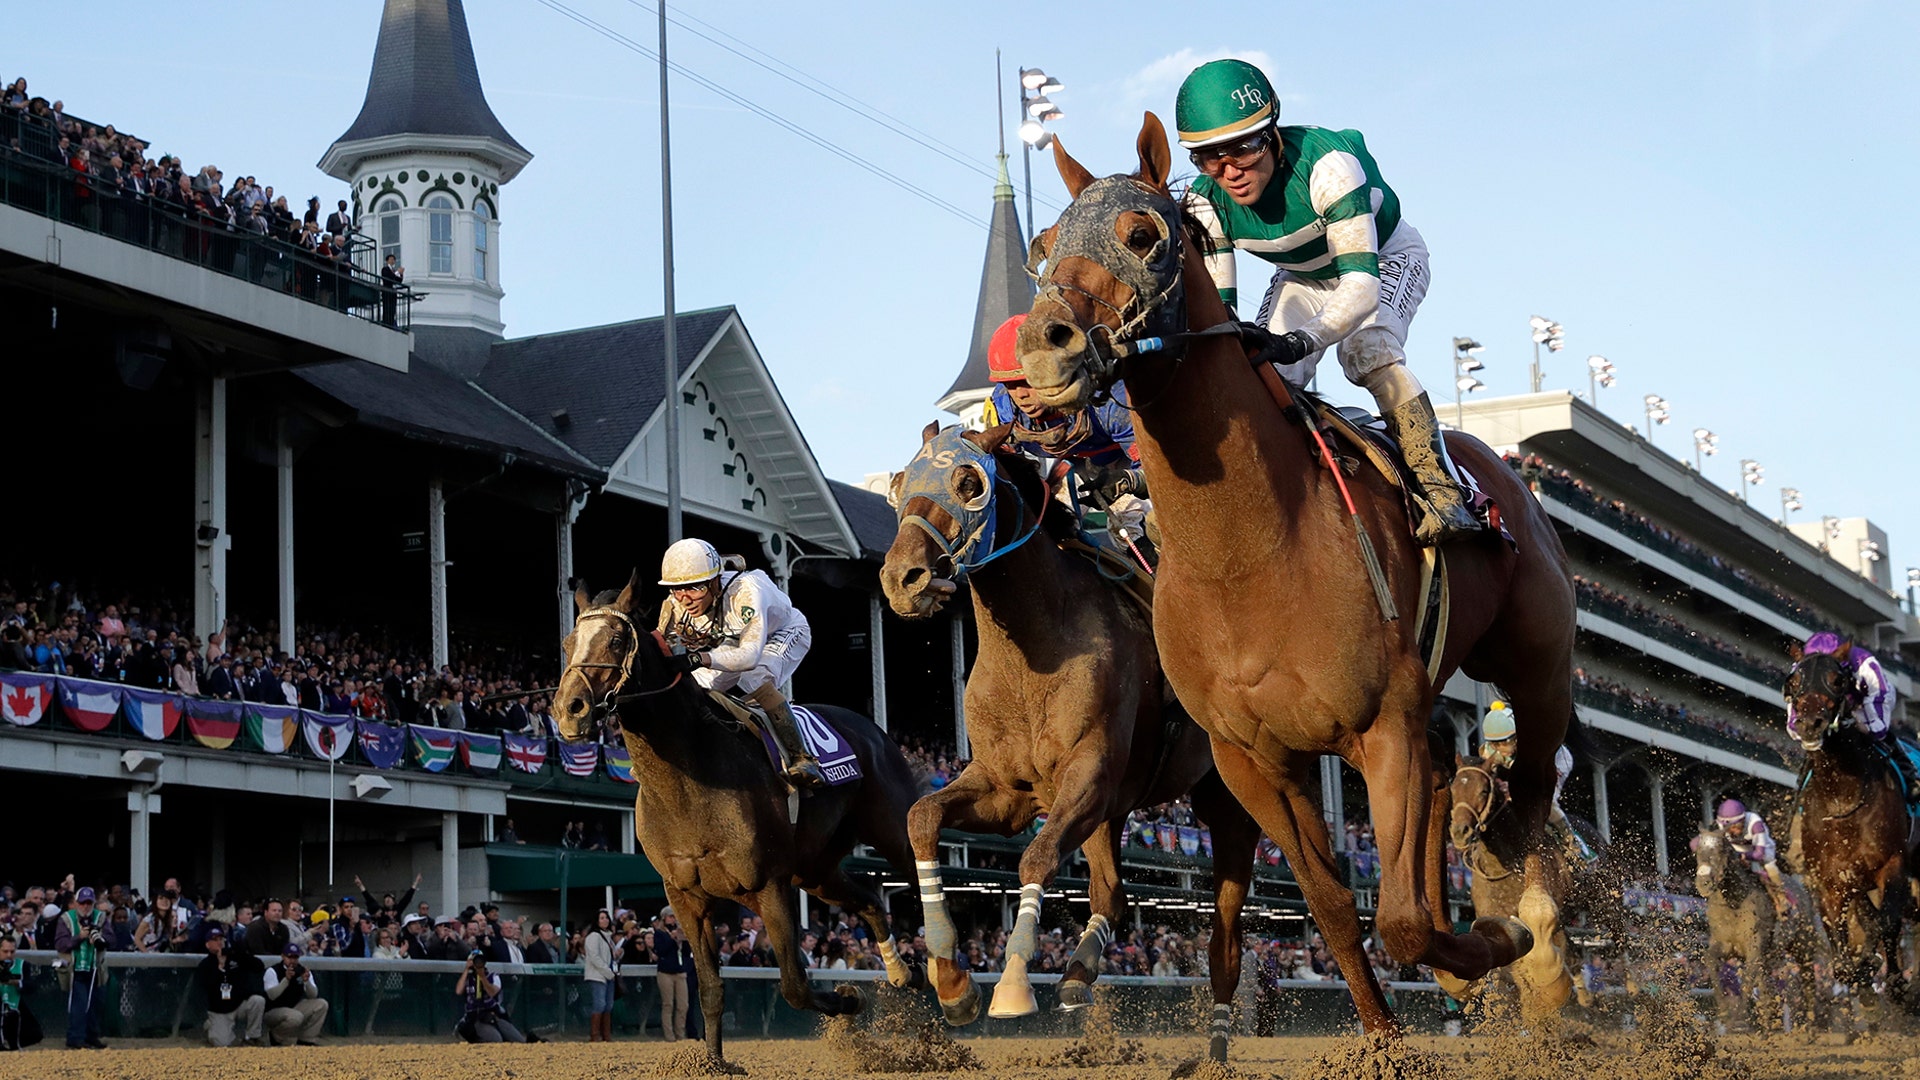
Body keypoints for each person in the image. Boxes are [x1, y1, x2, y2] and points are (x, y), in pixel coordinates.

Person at [1175, 58, 1479, 546]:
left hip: (1382, 258)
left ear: (1272, 134)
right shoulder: (1203, 201)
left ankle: (1440, 486)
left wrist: (1302, 340)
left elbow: (1359, 288)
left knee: (1368, 352)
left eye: (1244, 149)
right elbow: (1221, 318)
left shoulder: (1328, 166)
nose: (1230, 172)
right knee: (1266, 376)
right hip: (1302, 275)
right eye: (1210, 157)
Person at [979, 313, 1155, 558]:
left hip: (1127, 464)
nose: (1020, 394)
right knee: (1046, 533)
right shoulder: (1003, 410)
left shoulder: (1106, 399)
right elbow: (1011, 484)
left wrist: (1127, 480)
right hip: (1073, 468)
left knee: (1128, 528)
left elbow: (1155, 468)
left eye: (1027, 380)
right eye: (1009, 384)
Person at [656, 537, 825, 787]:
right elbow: (657, 646)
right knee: (697, 687)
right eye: (677, 590)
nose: (685, 599)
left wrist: (699, 657)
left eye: (695, 588)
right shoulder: (675, 605)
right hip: (736, 641)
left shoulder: (746, 591)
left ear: (714, 581)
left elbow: (748, 656)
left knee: (754, 676)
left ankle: (802, 758)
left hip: (782, 632)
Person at [1787, 632, 1917, 798]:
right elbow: (1793, 718)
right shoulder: (1801, 669)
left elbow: (1878, 700)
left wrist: (1867, 726)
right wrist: (1803, 729)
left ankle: (1909, 773)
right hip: (1830, 704)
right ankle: (1799, 789)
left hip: (1867, 698)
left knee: (1874, 732)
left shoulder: (1864, 663)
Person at [1479, 701, 1594, 864]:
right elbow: (1488, 777)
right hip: (1525, 768)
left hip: (1555, 761)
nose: (1501, 749)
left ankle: (1574, 845)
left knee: (1547, 801)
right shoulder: (1487, 751)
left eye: (1506, 742)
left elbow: (1533, 782)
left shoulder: (1534, 747)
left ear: (1517, 736)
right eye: (1496, 743)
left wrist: (1511, 791)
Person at [1717, 799, 1794, 918]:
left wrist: (1744, 856)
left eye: (1735, 828)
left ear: (1742, 821)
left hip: (1762, 848)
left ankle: (1782, 897)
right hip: (1738, 848)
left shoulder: (1755, 824)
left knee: (1770, 866)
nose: (1732, 832)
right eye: (1729, 828)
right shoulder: (1721, 825)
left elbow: (1759, 854)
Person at [52, 886, 107, 1050]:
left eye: (89, 903)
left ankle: (91, 1036)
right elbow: (61, 944)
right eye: (82, 903)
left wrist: (99, 938)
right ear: (76, 903)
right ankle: (75, 1038)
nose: (85, 906)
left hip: (95, 968)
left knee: (95, 1003)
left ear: (93, 904)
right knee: (79, 1003)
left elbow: (111, 939)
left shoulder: (101, 917)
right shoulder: (66, 918)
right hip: (74, 969)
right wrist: (79, 937)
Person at [195, 926, 265, 1048]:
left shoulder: (235, 957)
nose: (219, 942)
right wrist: (220, 967)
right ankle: (211, 1025)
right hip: (220, 1009)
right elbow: (207, 986)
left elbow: (259, 966)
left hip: (238, 1004)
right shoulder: (205, 964)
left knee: (257, 1000)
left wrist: (241, 953)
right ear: (208, 944)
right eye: (215, 940)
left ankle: (252, 1037)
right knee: (222, 1043)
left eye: (221, 939)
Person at [261, 944, 328, 1045]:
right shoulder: (273, 971)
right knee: (296, 1016)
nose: (292, 960)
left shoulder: (302, 970)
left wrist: (307, 982)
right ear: (283, 956)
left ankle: (306, 1039)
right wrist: (286, 980)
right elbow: (272, 996)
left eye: (295, 957)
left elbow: (313, 995)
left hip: (294, 1007)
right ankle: (276, 1036)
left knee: (322, 1004)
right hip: (273, 1011)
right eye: (289, 957)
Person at [455, 949, 526, 1043]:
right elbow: (458, 991)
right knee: (496, 1040)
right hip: (476, 1016)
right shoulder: (468, 979)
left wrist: (482, 977)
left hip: (493, 1014)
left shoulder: (493, 976)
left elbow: (492, 992)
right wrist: (467, 969)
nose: (477, 963)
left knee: (519, 1040)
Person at [0, 936, 44, 1050]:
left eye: (12, 951)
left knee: (36, 1034)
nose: (9, 955)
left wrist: (17, 982)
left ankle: (13, 1047)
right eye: (5, 951)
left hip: (15, 1004)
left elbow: (32, 987)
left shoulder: (22, 965)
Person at [654, 906, 689, 1042]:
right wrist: (671, 939)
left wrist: (683, 940)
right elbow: (661, 951)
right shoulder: (659, 933)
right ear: (664, 918)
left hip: (680, 971)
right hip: (665, 972)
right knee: (668, 1004)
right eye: (670, 916)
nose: (673, 919)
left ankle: (680, 1034)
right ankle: (669, 1036)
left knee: (683, 1005)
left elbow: (686, 953)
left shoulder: (679, 931)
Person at [581, 909, 617, 1042]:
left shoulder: (608, 937)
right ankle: (595, 1035)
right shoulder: (593, 936)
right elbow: (594, 957)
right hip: (598, 975)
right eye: (602, 918)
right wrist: (608, 972)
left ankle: (606, 1035)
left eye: (606, 918)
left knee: (608, 1005)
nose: (605, 920)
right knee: (599, 1004)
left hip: (608, 975)